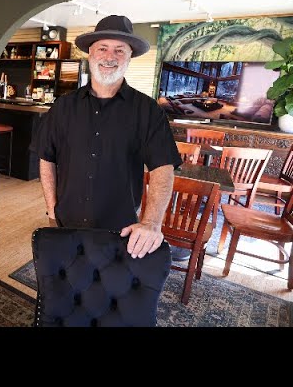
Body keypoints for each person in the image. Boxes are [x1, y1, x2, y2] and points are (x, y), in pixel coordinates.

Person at [32, 15, 182, 259]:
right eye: (102, 48)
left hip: (120, 230)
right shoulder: (63, 106)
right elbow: (46, 157)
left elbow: (163, 168)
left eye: (119, 50)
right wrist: (51, 210)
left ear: (130, 56)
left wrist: (151, 223)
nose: (110, 57)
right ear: (90, 53)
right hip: (65, 225)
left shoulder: (148, 111)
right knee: (67, 281)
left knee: (111, 283)